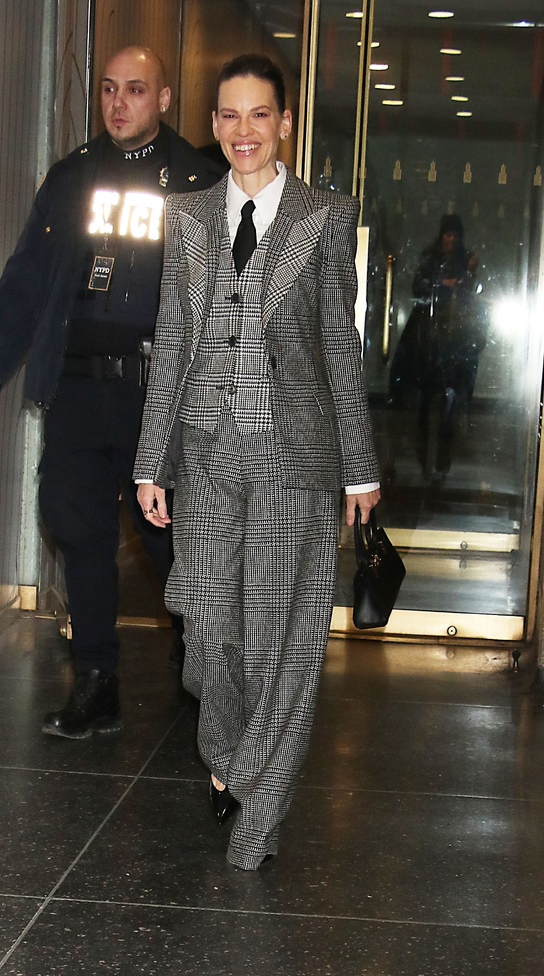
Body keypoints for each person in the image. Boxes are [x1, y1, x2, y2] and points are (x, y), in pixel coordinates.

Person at [134, 54, 380, 870]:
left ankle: (257, 820)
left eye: (260, 114)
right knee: (208, 633)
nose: (245, 131)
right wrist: (151, 460)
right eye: (230, 116)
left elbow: (339, 345)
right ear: (214, 125)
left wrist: (360, 468)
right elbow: (172, 342)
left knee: (281, 644)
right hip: (205, 453)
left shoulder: (326, 216)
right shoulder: (187, 217)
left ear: (284, 123)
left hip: (293, 458)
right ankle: (231, 758)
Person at [0, 47, 222, 739]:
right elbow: (26, 279)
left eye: (134, 90)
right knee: (77, 530)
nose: (118, 103)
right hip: (78, 389)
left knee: (170, 537)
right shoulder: (73, 177)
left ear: (163, 99)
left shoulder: (199, 183)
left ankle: (201, 657)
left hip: (157, 395)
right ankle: (96, 680)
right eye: (108, 89)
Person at [389, 213, 485, 483]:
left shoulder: (465, 261)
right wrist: (441, 286)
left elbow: (473, 294)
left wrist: (467, 275)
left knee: (450, 405)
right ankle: (424, 463)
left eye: (455, 236)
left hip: (454, 340)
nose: (450, 240)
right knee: (423, 404)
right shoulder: (430, 259)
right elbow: (419, 288)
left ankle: (441, 462)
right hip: (428, 339)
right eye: (447, 235)